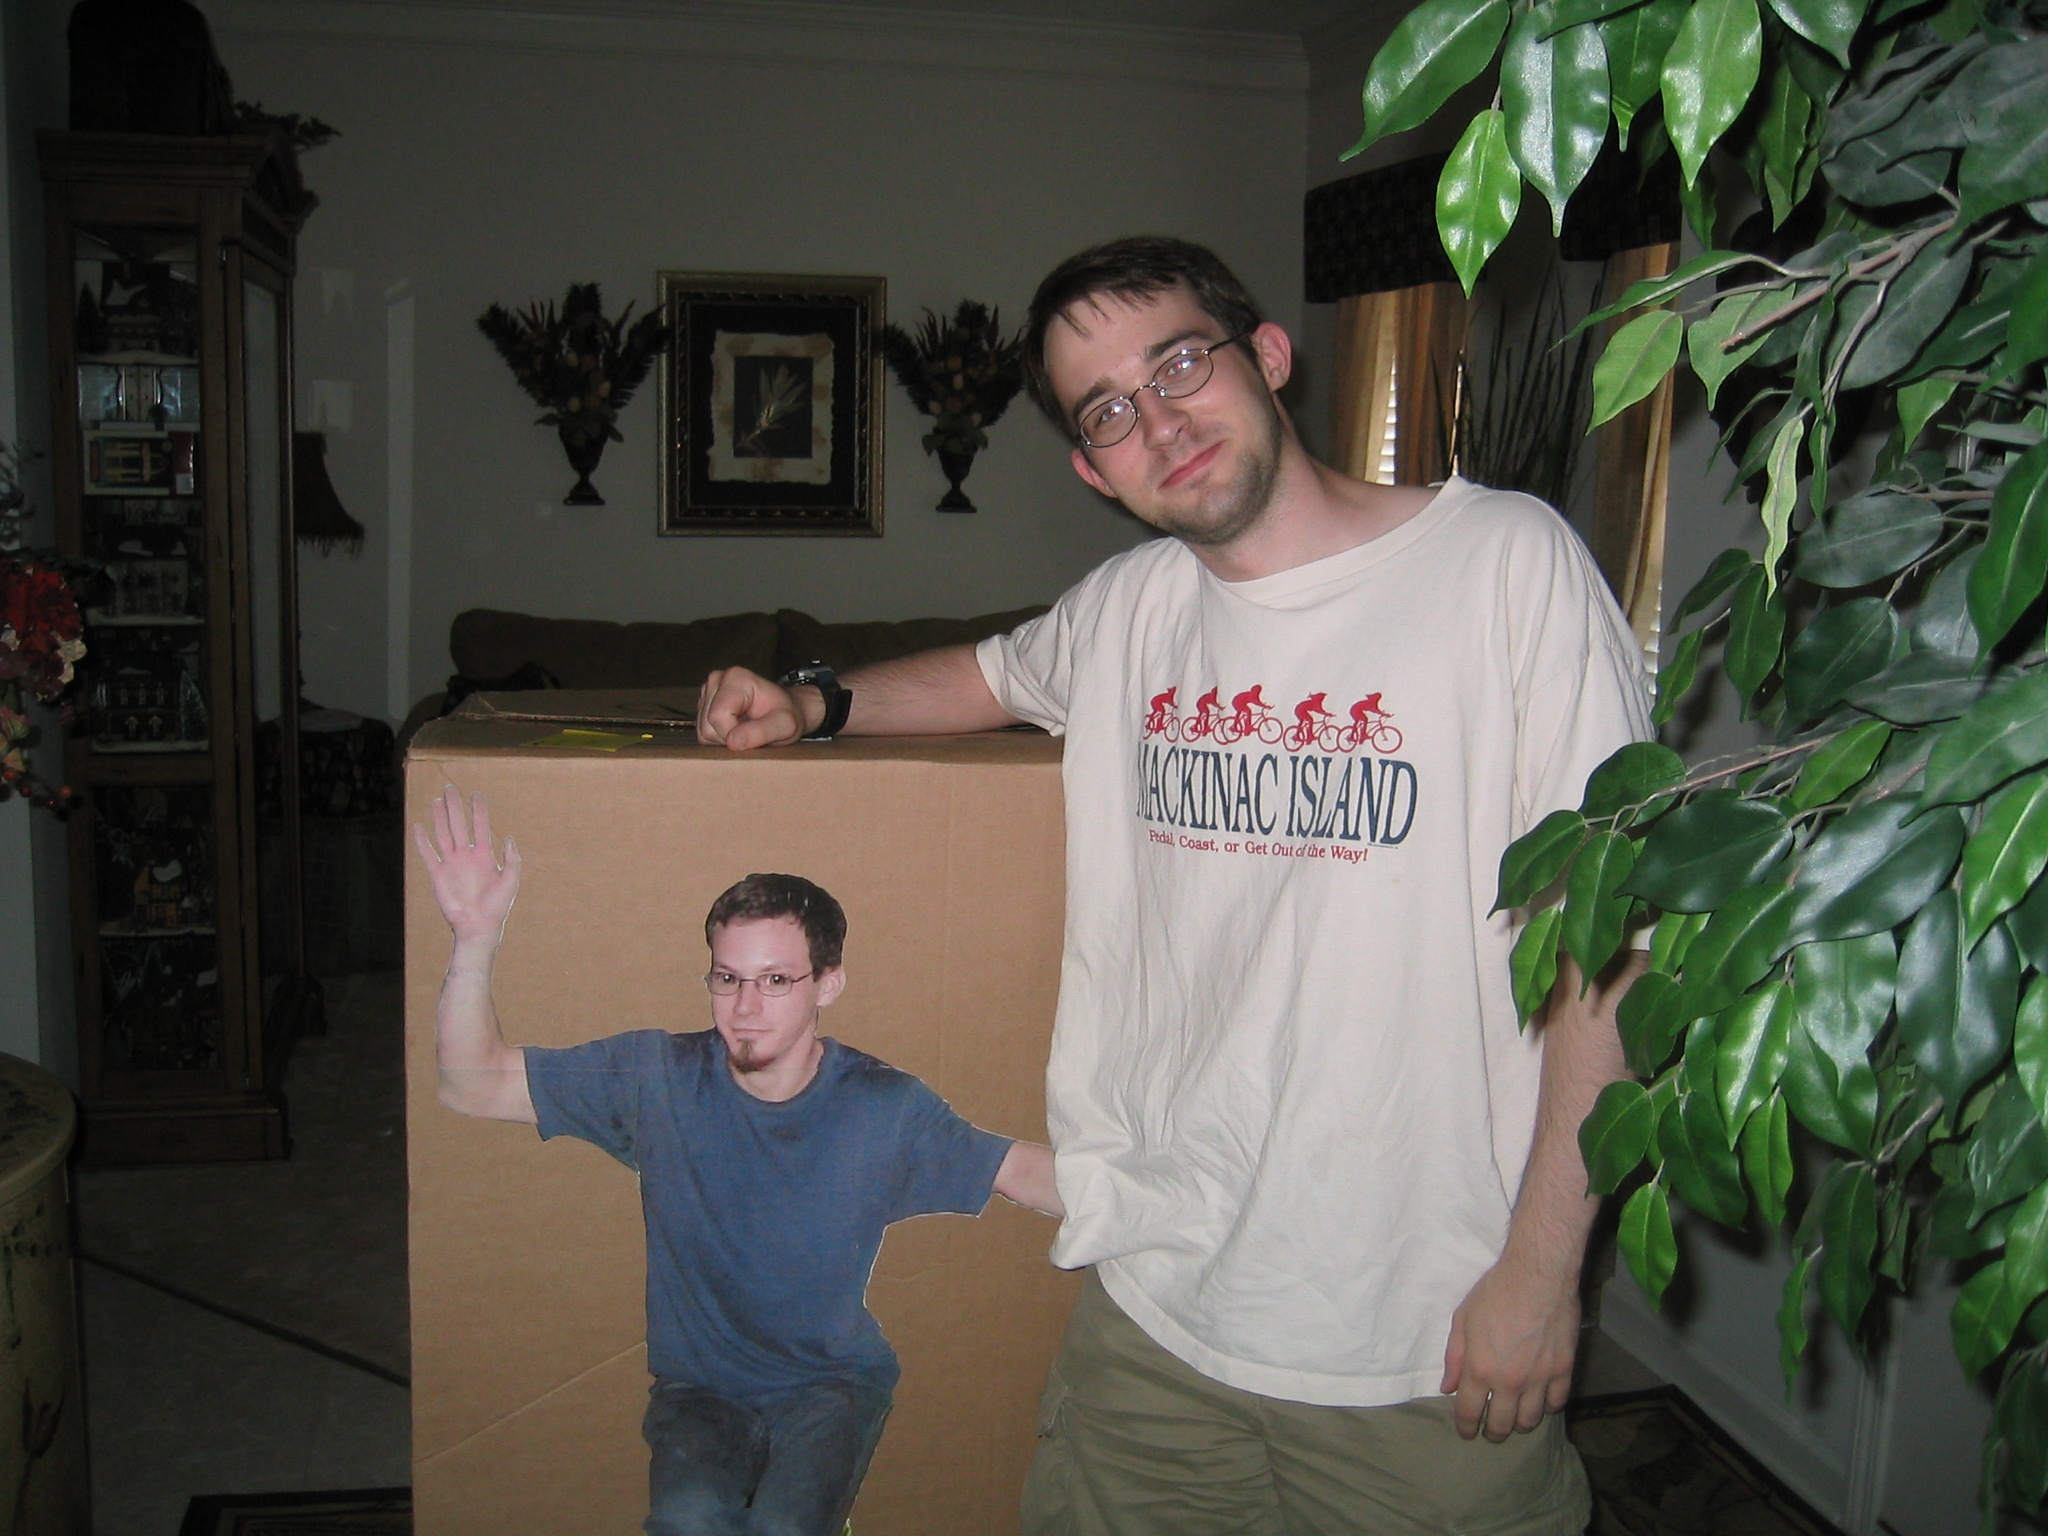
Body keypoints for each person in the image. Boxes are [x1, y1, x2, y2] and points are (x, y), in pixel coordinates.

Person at [695, 235, 1651, 1536]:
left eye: (1179, 363)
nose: (1158, 421)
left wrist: (1543, 1273)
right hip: (1152, 1312)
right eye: (1106, 410)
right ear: (1094, 470)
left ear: (1269, 356)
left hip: (1418, 1345)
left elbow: (1610, 940)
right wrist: (811, 705)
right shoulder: (1130, 610)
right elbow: (986, 676)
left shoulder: (1503, 566)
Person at [413, 784, 1062, 1536]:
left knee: (784, 1528)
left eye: (776, 980)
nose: (745, 1008)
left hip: (829, 1384)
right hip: (699, 1389)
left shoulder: (881, 1108)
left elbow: (1021, 1171)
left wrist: (1157, 1203)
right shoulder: (656, 1080)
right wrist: (474, 938)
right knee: (687, 1521)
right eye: (728, 978)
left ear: (828, 984)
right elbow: (472, 1084)